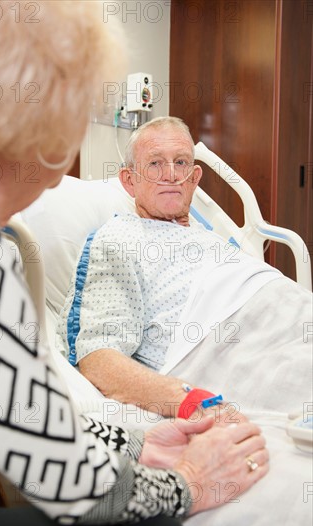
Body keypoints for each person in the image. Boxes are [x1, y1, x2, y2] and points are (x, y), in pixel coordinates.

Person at [0, 4, 269, 526]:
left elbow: (17, 411)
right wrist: (188, 481)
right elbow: (67, 481)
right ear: (51, 133)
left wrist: (139, 443)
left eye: (181, 164)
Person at [57, 116, 312, 418]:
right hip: (233, 344)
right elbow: (98, 358)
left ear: (194, 178)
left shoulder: (212, 239)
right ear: (129, 180)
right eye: (154, 163)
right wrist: (189, 401)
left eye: (181, 162)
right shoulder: (119, 239)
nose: (171, 174)